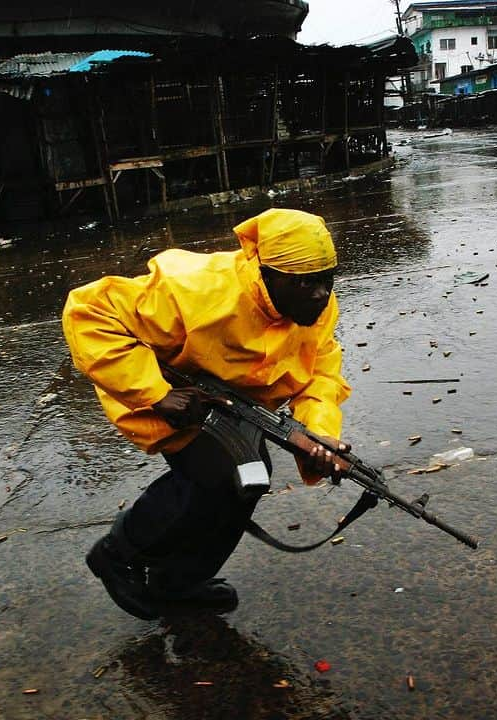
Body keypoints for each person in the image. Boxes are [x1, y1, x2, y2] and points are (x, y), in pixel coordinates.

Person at [62, 208, 352, 619]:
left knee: (250, 480)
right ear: (266, 274)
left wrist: (317, 436)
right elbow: (88, 314)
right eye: (306, 282)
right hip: (167, 394)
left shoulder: (317, 309)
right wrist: (157, 393)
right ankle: (116, 552)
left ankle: (178, 581)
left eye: (328, 279)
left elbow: (320, 372)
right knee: (214, 476)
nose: (321, 294)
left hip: (239, 405)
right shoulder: (194, 289)